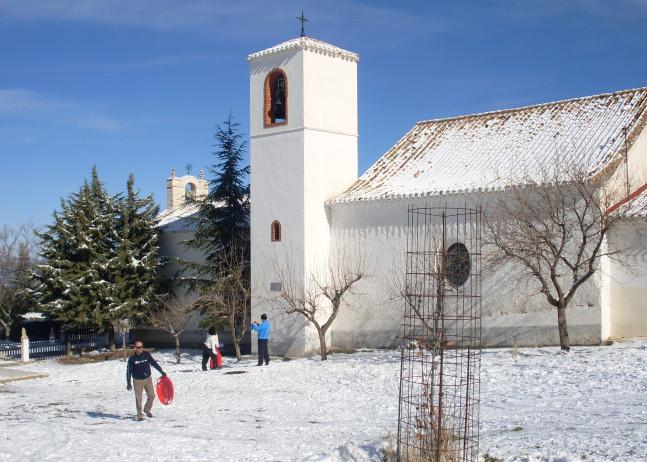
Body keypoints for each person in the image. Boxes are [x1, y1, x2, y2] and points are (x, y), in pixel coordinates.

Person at [126, 339, 166, 421]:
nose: (141, 348)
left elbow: (154, 363)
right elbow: (129, 371)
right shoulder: (132, 359)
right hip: (138, 381)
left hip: (148, 379)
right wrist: (128, 382)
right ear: (135, 348)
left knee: (152, 396)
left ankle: (147, 409)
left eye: (142, 347)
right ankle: (140, 414)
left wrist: (161, 371)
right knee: (138, 398)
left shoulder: (146, 354)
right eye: (139, 347)